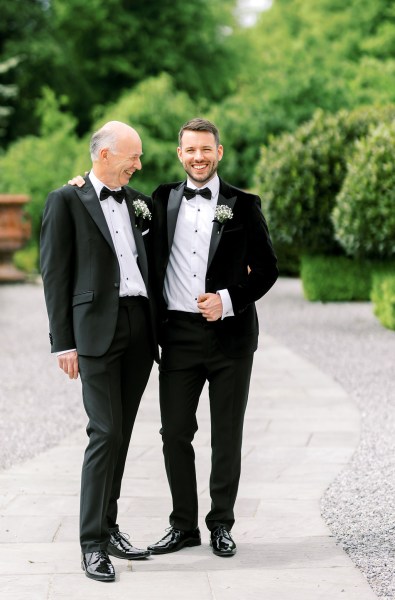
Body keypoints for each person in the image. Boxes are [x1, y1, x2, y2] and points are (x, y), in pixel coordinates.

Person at [147, 118, 278, 557]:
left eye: (206, 149)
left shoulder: (244, 204)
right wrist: (80, 183)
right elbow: (115, 208)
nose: (198, 157)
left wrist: (227, 298)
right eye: (190, 150)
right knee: (174, 433)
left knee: (227, 435)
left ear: (218, 152)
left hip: (231, 340)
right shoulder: (162, 199)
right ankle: (183, 525)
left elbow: (267, 270)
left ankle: (221, 523)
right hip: (178, 337)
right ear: (179, 153)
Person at [40, 121, 158, 582]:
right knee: (104, 432)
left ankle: (109, 527)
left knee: (123, 433)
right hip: (93, 333)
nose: (139, 164)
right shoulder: (66, 200)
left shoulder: (137, 202)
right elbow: (54, 274)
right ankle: (91, 543)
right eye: (133, 156)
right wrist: (62, 342)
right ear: (105, 154)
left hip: (138, 327)